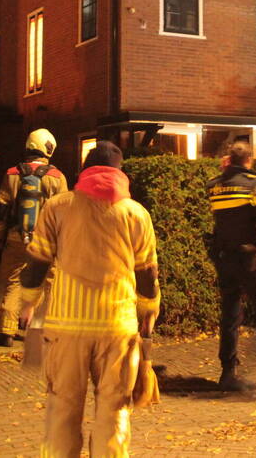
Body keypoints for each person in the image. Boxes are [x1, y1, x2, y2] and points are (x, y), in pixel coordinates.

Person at [18, 140, 160, 457]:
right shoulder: (136, 213)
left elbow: (37, 263)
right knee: (115, 411)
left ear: (83, 171)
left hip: (65, 327)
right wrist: (149, 310)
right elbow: (147, 274)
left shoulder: (57, 206)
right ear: (121, 172)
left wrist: (28, 303)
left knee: (62, 408)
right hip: (117, 328)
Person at [206, 140, 256, 392]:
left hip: (224, 258)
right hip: (250, 260)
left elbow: (217, 188)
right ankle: (253, 366)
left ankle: (228, 371)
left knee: (230, 312)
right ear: (249, 161)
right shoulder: (254, 187)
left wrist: (225, 172)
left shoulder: (215, 188)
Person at [0, 128, 66, 347]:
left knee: (13, 282)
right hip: (46, 241)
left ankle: (5, 331)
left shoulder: (12, 173)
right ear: (49, 148)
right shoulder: (56, 177)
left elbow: (0, 208)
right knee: (48, 285)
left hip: (16, 237)